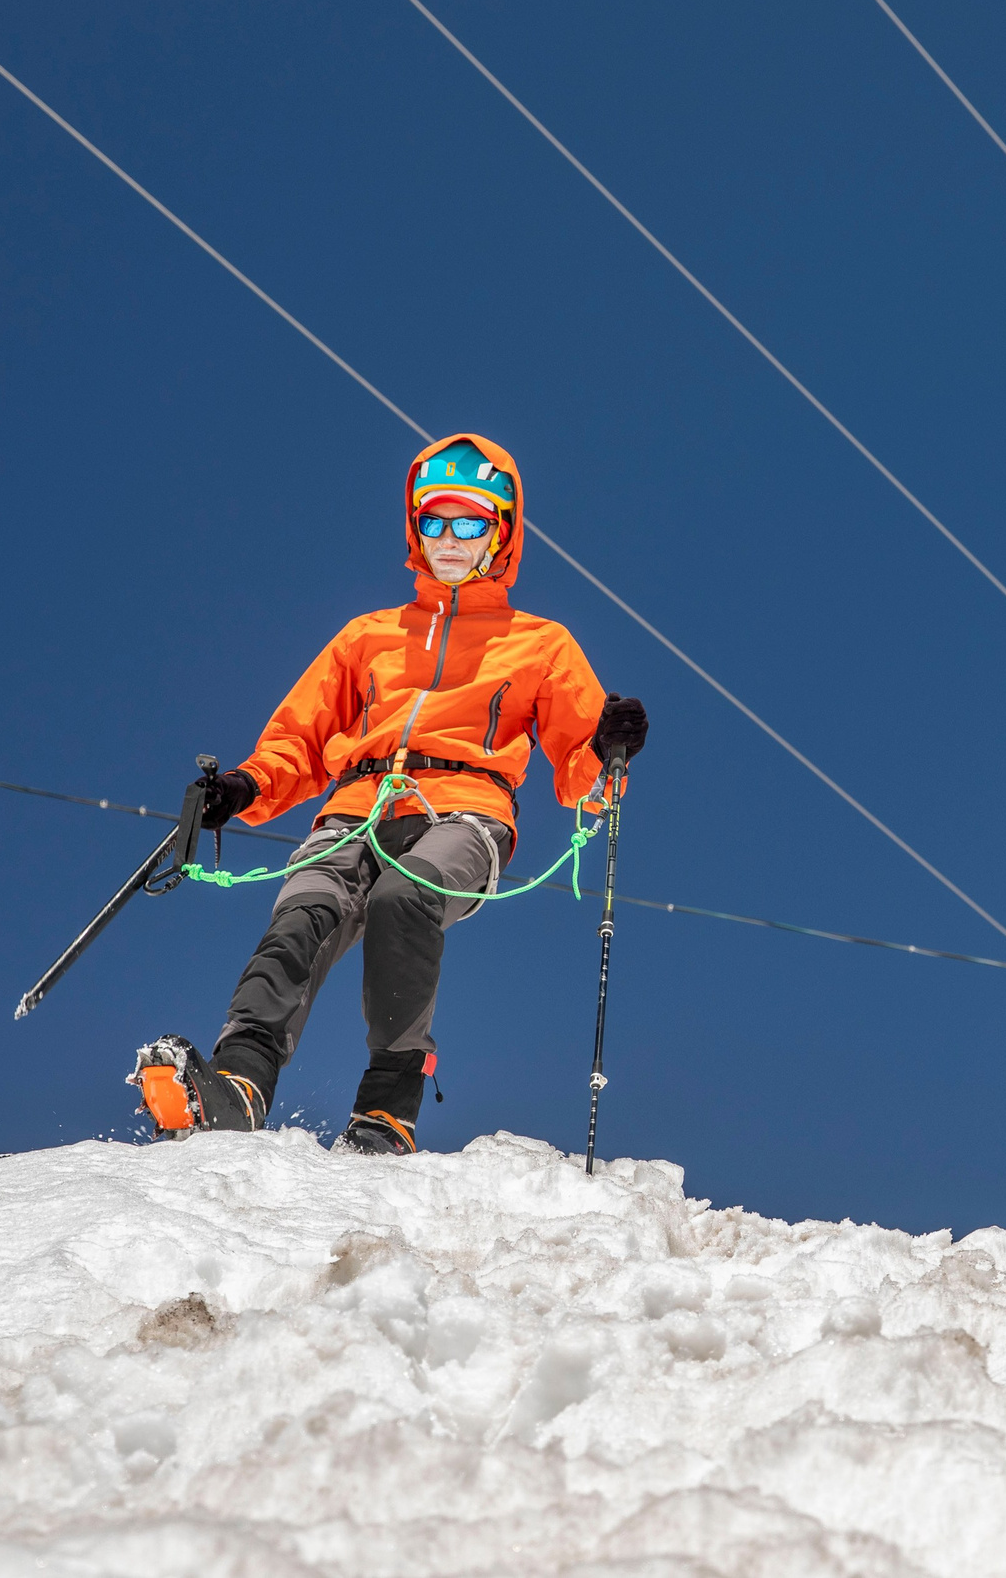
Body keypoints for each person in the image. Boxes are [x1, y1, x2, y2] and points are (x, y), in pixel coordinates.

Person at [130, 433, 648, 1155]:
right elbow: (300, 741)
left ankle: (387, 1110)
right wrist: (245, 787)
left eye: (470, 523)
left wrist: (607, 746)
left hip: (466, 811)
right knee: (303, 912)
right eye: (433, 522)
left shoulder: (540, 644)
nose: (449, 539)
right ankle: (239, 1084)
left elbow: (578, 772)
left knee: (405, 898)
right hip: (355, 807)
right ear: (415, 530)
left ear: (500, 534)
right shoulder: (368, 637)